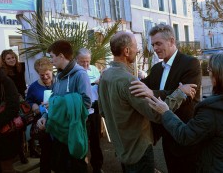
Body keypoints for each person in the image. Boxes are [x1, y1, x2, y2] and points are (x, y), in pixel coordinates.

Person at [98, 31, 196, 173]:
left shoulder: (106, 75)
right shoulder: (127, 80)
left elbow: (103, 111)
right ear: (126, 51)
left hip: (122, 149)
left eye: (158, 43)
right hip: (138, 151)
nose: (138, 50)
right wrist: (180, 93)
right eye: (135, 46)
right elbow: (156, 113)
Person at [130, 24, 202, 173]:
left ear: (171, 41)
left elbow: (188, 98)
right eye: (153, 44)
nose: (155, 48)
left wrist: (152, 93)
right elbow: (143, 86)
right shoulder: (156, 68)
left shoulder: (191, 63)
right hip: (165, 136)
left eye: (158, 43)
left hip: (185, 132)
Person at [37, 40, 92, 173]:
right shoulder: (59, 76)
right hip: (58, 131)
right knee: (60, 167)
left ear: (61, 56)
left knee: (76, 167)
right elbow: (52, 100)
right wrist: (45, 116)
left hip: (72, 131)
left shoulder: (80, 75)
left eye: (52, 57)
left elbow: (86, 102)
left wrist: (58, 103)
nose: (51, 61)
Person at [76, 48, 103, 173]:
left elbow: (100, 85)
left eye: (87, 61)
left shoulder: (94, 69)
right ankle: (82, 167)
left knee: (96, 140)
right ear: (77, 60)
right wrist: (93, 82)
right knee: (82, 140)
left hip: (95, 108)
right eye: (82, 62)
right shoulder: (75, 72)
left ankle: (97, 167)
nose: (86, 64)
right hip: (82, 110)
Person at [1, 49, 28, 164]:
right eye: (8, 58)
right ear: (4, 60)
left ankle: (27, 150)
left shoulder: (21, 66)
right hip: (12, 102)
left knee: (25, 125)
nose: (11, 60)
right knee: (16, 126)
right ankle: (20, 153)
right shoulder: (2, 72)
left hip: (22, 101)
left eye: (13, 57)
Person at [26, 57, 53, 173]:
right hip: (42, 123)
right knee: (46, 152)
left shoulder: (59, 83)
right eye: (42, 75)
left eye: (47, 74)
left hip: (58, 122)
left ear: (52, 71)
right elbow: (29, 101)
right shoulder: (33, 87)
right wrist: (33, 106)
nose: (45, 77)